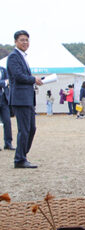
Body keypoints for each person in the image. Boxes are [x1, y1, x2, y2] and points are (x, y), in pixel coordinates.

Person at [7, 30, 43, 168]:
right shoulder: (13, 57)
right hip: (20, 99)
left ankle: (22, 155)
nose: (25, 42)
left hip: (27, 98)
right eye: (22, 40)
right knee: (24, 129)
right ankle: (19, 159)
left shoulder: (22, 57)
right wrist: (34, 79)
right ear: (16, 41)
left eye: (27, 40)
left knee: (31, 128)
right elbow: (18, 76)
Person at [0, 66, 15, 151]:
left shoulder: (3, 69)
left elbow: (9, 81)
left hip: (4, 100)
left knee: (7, 122)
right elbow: (5, 82)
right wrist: (4, 83)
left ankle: (8, 143)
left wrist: (6, 82)